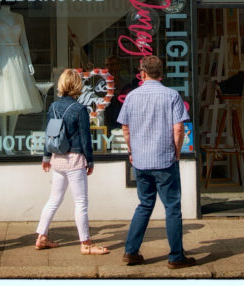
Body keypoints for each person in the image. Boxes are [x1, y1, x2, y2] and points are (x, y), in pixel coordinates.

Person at [117, 55, 196, 270]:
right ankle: (176, 256)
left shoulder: (132, 97)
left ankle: (131, 252)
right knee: (172, 208)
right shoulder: (171, 95)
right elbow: (178, 129)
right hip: (164, 160)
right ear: (162, 73)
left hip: (141, 161)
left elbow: (125, 128)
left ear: (142, 73)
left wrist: (132, 151)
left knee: (144, 205)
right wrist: (177, 152)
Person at [35, 69, 109, 255]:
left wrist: (46, 157)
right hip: (75, 160)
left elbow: (49, 134)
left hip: (57, 159)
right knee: (81, 203)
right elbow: (86, 139)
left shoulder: (52, 107)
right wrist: (90, 161)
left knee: (53, 200)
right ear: (78, 86)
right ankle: (86, 243)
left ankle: (41, 237)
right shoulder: (79, 109)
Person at [0, 4, 42, 154]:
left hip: (17, 56)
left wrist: (29, 62)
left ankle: (11, 137)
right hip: (1, 56)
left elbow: (25, 41)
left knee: (18, 98)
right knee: (3, 99)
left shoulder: (19, 17)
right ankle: (4, 140)